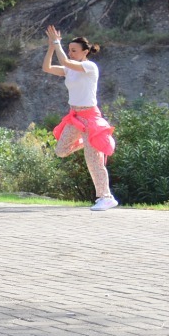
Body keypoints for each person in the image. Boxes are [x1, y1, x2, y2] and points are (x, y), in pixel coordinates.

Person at [42, 26, 119, 210]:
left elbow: (66, 62)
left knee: (94, 161)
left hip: (90, 118)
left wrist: (57, 43)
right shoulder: (70, 69)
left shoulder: (89, 67)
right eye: (69, 50)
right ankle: (87, 142)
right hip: (75, 117)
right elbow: (47, 67)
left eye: (74, 50)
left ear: (85, 52)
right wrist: (52, 47)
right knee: (60, 150)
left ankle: (106, 197)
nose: (70, 53)